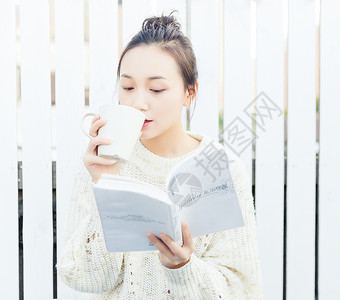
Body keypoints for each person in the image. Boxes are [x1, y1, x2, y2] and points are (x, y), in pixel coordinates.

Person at [56, 11, 263, 299]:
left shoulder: (223, 168)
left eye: (156, 89)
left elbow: (240, 289)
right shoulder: (101, 165)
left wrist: (183, 267)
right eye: (127, 87)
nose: (138, 102)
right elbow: (81, 277)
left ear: (189, 93)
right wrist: (105, 187)